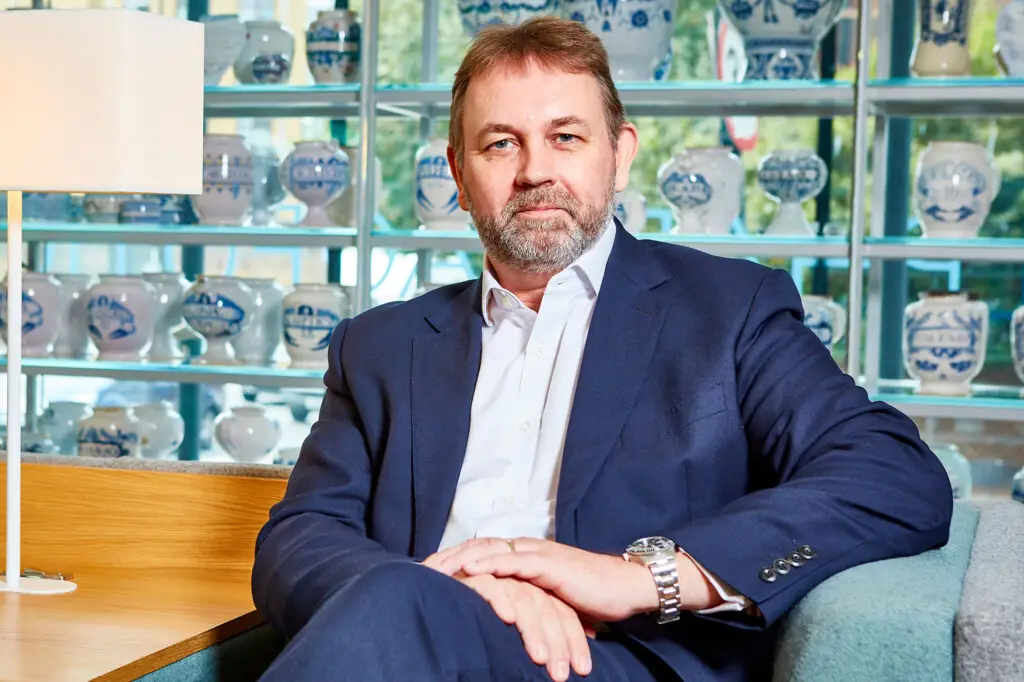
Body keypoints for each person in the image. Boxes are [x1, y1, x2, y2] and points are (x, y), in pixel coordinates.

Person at [252, 16, 953, 682]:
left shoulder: (729, 310)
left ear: (620, 156)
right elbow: (300, 537)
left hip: (622, 661)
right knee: (396, 599)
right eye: (500, 144)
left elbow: (893, 474)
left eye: (565, 137)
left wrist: (642, 576)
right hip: (405, 646)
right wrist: (458, 591)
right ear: (458, 176)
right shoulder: (380, 345)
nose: (534, 171)